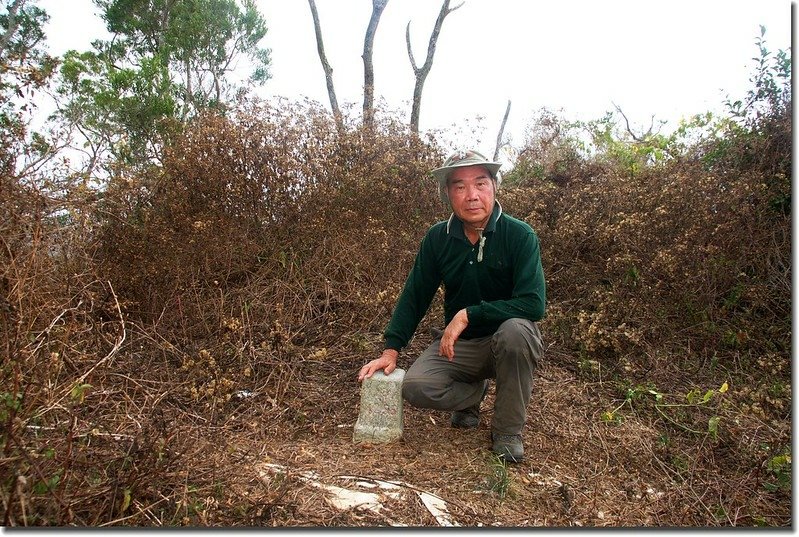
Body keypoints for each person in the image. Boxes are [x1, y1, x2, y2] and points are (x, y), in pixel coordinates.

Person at [357, 149, 546, 463]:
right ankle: (474, 394)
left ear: (494, 187)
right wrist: (392, 348)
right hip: (461, 347)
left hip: (507, 340)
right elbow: (415, 294)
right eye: (460, 187)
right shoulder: (438, 238)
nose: (471, 196)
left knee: (517, 332)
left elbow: (533, 304)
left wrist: (468, 314)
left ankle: (507, 431)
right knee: (416, 386)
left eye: (480, 184)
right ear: (447, 193)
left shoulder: (520, 235)